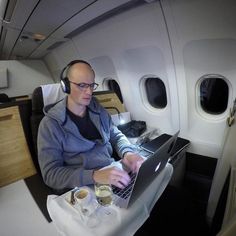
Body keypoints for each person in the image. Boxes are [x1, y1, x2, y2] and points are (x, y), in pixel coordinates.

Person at [37, 60, 144, 192]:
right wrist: (95, 175)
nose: (89, 92)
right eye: (82, 85)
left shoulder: (98, 109)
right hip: (83, 185)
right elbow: (51, 174)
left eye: (92, 85)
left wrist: (128, 153)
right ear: (66, 86)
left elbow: (115, 135)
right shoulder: (50, 125)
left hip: (112, 172)